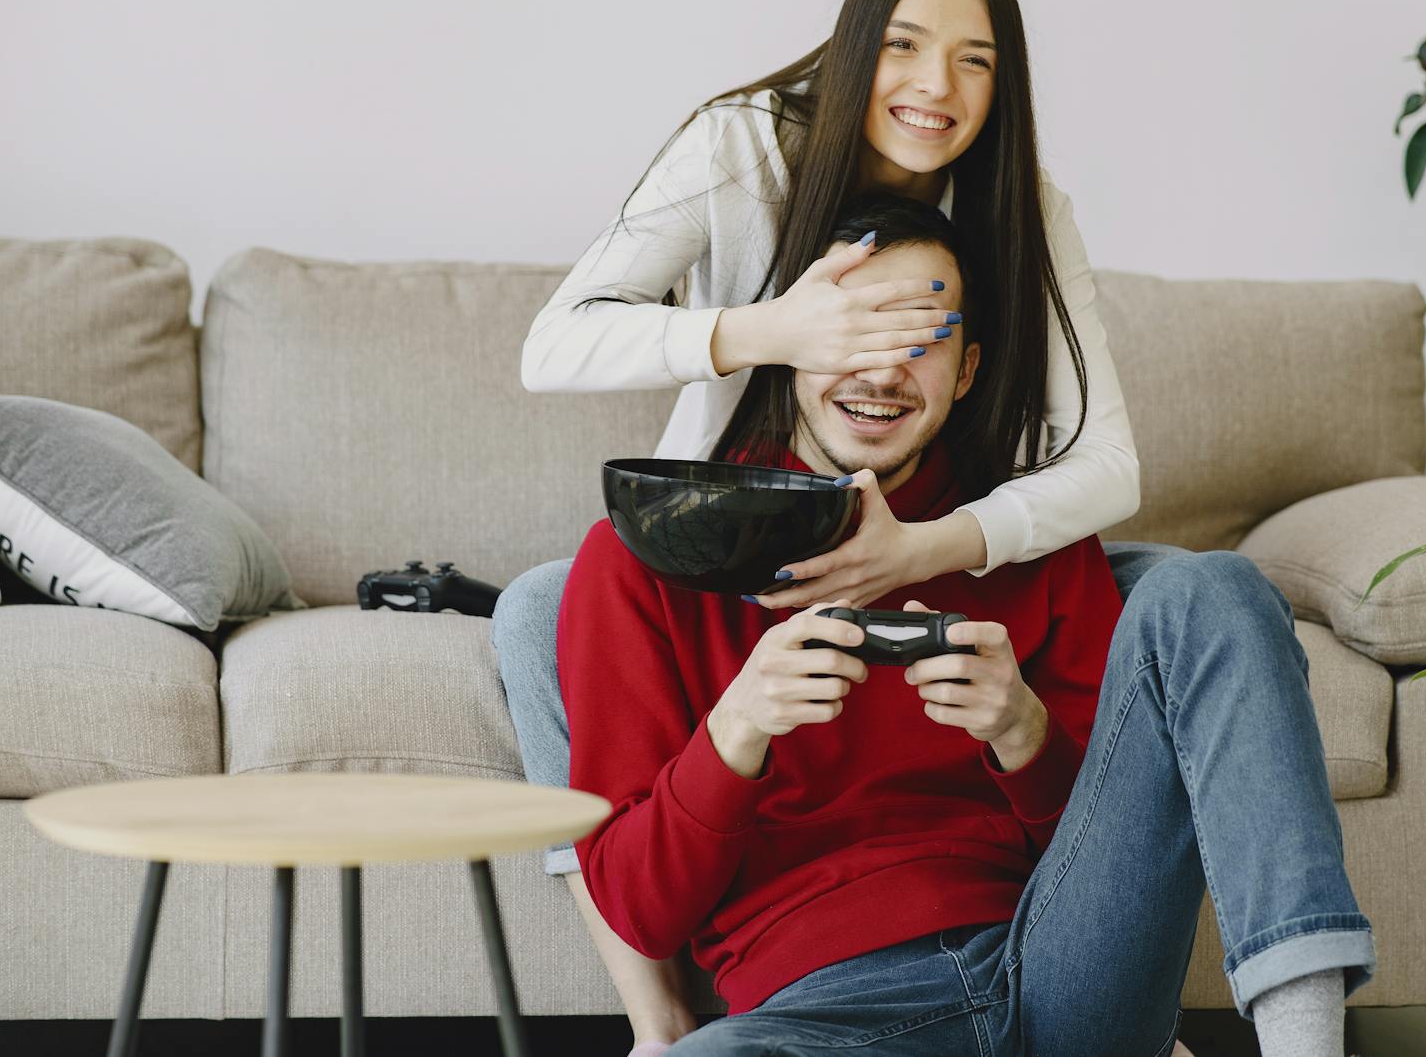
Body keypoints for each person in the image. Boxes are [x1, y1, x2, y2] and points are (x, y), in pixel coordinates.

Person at [495, 0, 1162, 1051]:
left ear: (967, 364)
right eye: (904, 44)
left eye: (974, 59)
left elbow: (1108, 469)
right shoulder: (745, 151)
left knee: (1193, 598)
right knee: (536, 603)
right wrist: (776, 327)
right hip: (747, 523)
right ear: (857, 50)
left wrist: (932, 559)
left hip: (957, 547)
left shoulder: (1019, 204)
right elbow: (553, 344)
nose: (934, 86)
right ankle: (654, 1017)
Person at [558, 199, 1376, 1057]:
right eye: (858, 332)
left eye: (922, 341)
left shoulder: (1031, 535)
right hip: (813, 1020)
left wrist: (1023, 731)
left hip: (1055, 974)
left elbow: (1134, 850)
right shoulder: (640, 562)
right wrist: (738, 727)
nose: (882, 373)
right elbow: (642, 911)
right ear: (790, 340)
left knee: (1213, 586)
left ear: (968, 368)